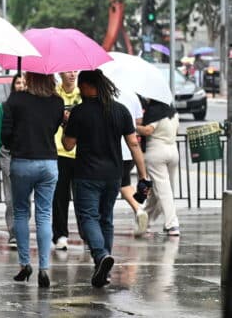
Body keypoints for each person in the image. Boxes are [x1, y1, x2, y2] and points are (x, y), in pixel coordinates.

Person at [62, 69, 150, 288]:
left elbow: (68, 145)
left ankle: (101, 257)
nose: (79, 90)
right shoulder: (120, 111)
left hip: (86, 174)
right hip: (113, 175)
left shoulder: (79, 112)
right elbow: (134, 144)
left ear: (88, 86)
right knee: (106, 219)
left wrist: (66, 125)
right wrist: (143, 176)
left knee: (89, 217)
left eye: (81, 86)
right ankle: (103, 269)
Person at [1, 72, 63, 288]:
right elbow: (54, 128)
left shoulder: (16, 99)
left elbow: (5, 134)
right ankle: (44, 268)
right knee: (44, 215)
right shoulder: (57, 101)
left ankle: (25, 263)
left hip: (22, 162)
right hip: (48, 163)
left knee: (20, 212)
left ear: (30, 77)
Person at [137, 99, 180, 236]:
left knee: (163, 191)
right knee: (159, 192)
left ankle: (172, 224)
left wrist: (133, 127)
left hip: (156, 152)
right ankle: (145, 221)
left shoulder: (155, 111)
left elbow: (148, 130)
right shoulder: (173, 112)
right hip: (173, 151)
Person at [0, 73, 25, 248]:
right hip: (8, 155)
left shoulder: (30, 108)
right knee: (11, 197)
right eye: (17, 82)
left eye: (23, 82)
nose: (20, 85)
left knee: (24, 197)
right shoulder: (3, 108)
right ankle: (13, 232)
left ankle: (22, 229)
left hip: (26, 154)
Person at [50, 71, 82, 251]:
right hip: (58, 153)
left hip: (80, 153)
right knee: (59, 197)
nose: (72, 74)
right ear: (60, 72)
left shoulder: (82, 95)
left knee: (82, 197)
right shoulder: (54, 95)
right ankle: (60, 234)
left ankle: (86, 233)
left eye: (75, 70)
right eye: (69, 70)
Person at [115, 91, 149, 236]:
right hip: (131, 150)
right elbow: (139, 121)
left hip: (113, 150)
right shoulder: (132, 95)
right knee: (124, 184)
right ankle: (140, 208)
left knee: (117, 185)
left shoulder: (104, 95)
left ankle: (138, 208)